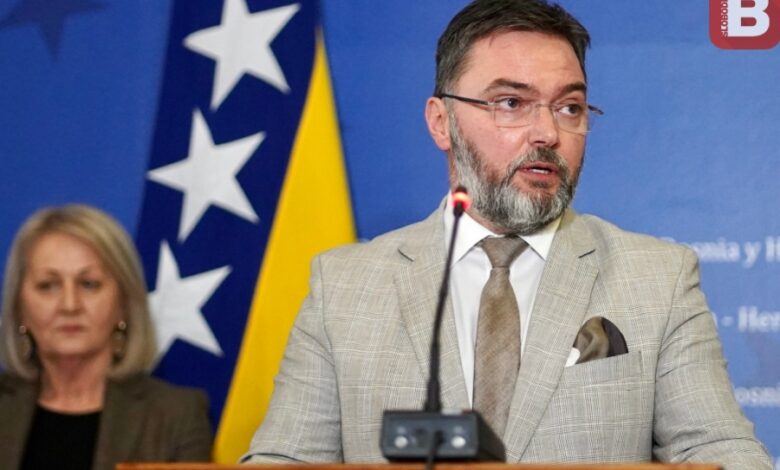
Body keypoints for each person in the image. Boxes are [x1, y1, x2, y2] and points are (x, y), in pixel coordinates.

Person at [242, 0, 772, 468]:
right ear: (441, 122)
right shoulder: (344, 286)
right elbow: (286, 460)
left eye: (569, 107)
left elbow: (720, 451)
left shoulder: (658, 279)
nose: (547, 133)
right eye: (511, 103)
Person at [0, 204, 213, 470]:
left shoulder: (176, 415)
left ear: (124, 303)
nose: (69, 305)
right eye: (48, 286)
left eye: (89, 284)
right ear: (19, 308)